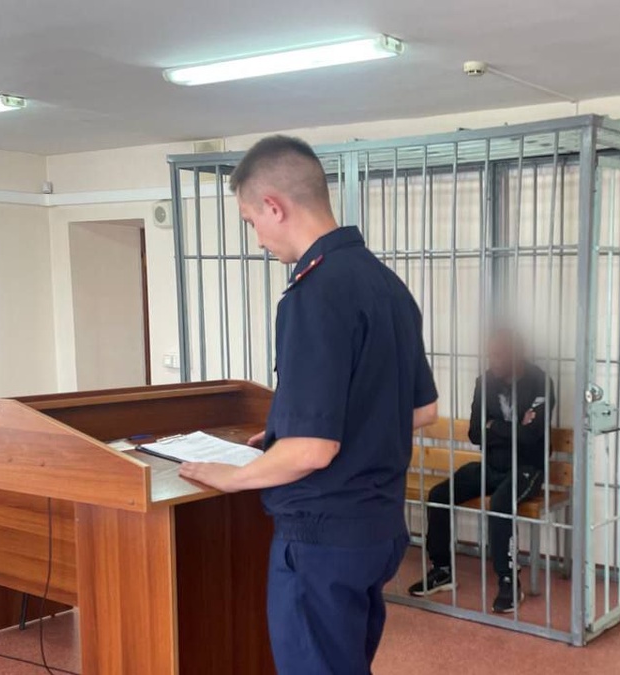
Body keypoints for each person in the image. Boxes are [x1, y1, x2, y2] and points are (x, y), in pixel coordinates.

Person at [179, 135, 439, 675]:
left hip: (322, 535)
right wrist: (283, 432)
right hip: (378, 529)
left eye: (251, 221)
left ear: (274, 206)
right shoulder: (387, 285)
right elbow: (420, 410)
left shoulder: (314, 294)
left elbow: (313, 450)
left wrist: (233, 476)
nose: (257, 238)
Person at [407, 329, 555, 613]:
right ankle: (442, 570)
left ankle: (509, 581)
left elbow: (532, 436)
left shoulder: (539, 382)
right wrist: (512, 427)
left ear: (516, 354)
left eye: (498, 355)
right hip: (491, 466)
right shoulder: (484, 382)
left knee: (500, 504)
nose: (492, 361)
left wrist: (493, 426)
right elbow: (475, 433)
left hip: (528, 468)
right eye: (490, 355)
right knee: (439, 495)